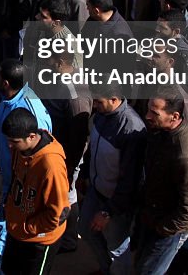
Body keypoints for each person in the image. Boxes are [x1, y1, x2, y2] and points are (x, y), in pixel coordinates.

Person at [0, 61, 53, 273]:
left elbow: (40, 152)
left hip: (20, 185)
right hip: (9, 178)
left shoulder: (32, 112)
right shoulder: (8, 98)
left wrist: (21, 185)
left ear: (5, 82)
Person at [132, 89, 188, 274]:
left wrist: (163, 228)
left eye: (154, 113)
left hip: (166, 229)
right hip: (152, 215)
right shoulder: (162, 132)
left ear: (174, 117)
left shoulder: (184, 155)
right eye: (148, 110)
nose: (147, 116)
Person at [77, 88, 146, 275]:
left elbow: (130, 180)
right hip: (96, 190)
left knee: (117, 248)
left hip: (116, 202)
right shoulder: (101, 115)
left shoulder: (131, 128)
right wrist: (84, 174)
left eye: (99, 102)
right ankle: (107, 269)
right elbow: (93, 148)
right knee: (86, 228)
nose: (95, 106)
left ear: (114, 99)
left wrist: (108, 211)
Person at [1, 108, 70, 275]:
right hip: (17, 231)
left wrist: (26, 227)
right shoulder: (21, 149)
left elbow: (58, 213)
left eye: (14, 141)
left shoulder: (51, 165)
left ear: (31, 137)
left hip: (38, 242)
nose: (9, 145)